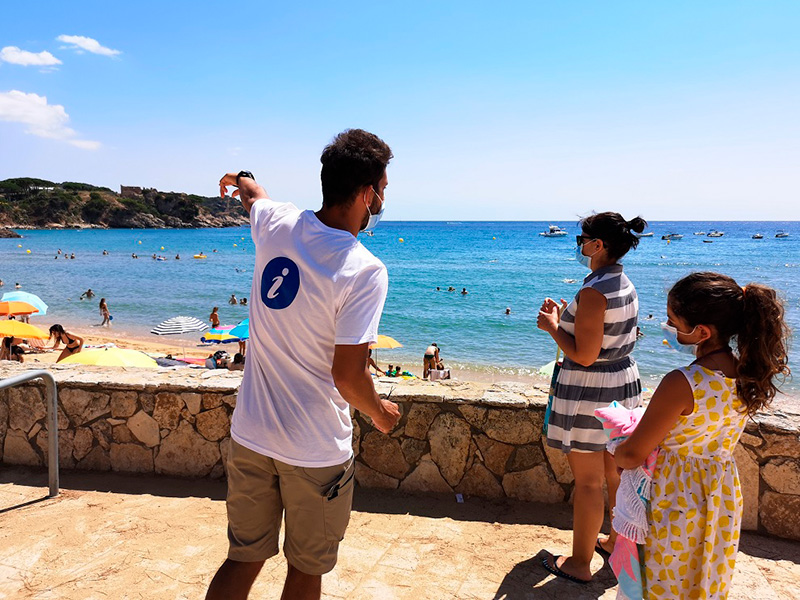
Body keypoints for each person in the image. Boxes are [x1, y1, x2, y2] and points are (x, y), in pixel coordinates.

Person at [206, 129, 401, 600]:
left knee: (243, 557)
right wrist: (381, 415)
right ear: (365, 192)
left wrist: (242, 177)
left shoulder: (277, 222)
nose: (385, 197)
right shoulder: (363, 269)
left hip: (251, 434)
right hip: (314, 449)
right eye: (384, 188)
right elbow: (348, 376)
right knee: (306, 569)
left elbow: (254, 195)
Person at [614, 272, 790, 598]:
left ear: (702, 331)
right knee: (703, 577)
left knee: (659, 580)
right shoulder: (747, 375)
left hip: (672, 493)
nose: (668, 327)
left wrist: (615, 446)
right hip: (719, 491)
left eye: (673, 321)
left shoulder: (682, 382)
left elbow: (632, 454)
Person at [538, 212, 647, 584]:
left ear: (597, 244)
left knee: (587, 482)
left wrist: (554, 327)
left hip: (590, 392)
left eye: (582, 238)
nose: (578, 245)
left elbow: (584, 354)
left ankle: (579, 563)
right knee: (615, 473)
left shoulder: (593, 290)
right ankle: (615, 541)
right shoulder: (623, 281)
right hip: (621, 383)